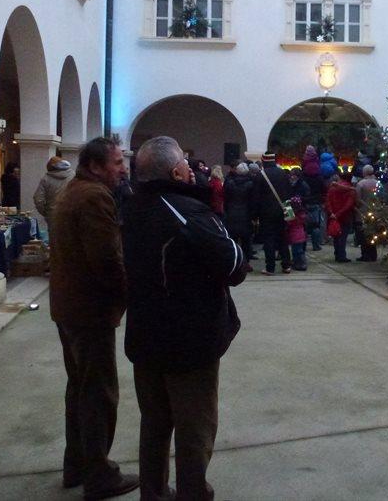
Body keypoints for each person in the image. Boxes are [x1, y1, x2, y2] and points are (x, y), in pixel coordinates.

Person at [122, 136, 248, 500]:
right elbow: (234, 266)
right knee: (195, 427)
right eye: (186, 165)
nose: (191, 170)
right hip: (189, 342)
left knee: (155, 423)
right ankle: (192, 492)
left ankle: (153, 492)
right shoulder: (187, 213)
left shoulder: (132, 207)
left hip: (145, 336)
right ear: (176, 172)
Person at [48, 137, 139, 499]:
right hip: (89, 310)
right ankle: (99, 475)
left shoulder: (73, 191)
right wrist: (131, 297)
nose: (123, 168)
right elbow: (106, 259)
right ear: (96, 166)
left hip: (69, 306)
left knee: (80, 389)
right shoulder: (94, 197)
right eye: (117, 162)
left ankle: (77, 465)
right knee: (99, 393)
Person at [253, 152, 292, 275]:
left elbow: (256, 197)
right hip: (283, 210)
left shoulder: (260, 175)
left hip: (266, 213)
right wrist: (289, 211)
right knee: (283, 238)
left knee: (269, 239)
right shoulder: (283, 173)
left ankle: (270, 267)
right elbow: (288, 193)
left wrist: (255, 215)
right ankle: (286, 265)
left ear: (263, 161)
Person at [224, 162, 255, 260]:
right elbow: (253, 201)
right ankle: (245, 261)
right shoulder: (251, 184)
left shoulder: (229, 183)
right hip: (246, 214)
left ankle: (234, 260)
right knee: (246, 241)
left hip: (231, 213)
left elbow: (225, 198)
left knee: (233, 240)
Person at [33, 156, 74, 227]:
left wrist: (45, 212)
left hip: (52, 214)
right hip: (70, 213)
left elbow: (38, 199)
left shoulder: (46, 179)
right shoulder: (73, 176)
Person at [326, 171, 356, 263]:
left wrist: (332, 213)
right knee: (343, 237)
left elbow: (328, 201)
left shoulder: (332, 188)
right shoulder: (351, 190)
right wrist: (339, 214)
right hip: (345, 216)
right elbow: (348, 205)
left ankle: (337, 254)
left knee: (336, 236)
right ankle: (342, 255)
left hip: (334, 216)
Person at [301, 146, 326, 251]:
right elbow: (323, 187)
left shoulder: (303, 170)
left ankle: (303, 245)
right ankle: (316, 245)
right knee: (316, 224)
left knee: (304, 225)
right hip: (316, 200)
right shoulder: (318, 169)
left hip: (305, 201)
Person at [355, 164, 379, 262]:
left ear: (364, 172)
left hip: (363, 212)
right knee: (373, 234)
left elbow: (357, 199)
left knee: (363, 235)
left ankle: (365, 254)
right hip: (376, 211)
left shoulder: (361, 184)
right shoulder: (378, 183)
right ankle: (373, 254)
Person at [286, 196, 308, 271]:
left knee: (297, 251)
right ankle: (298, 263)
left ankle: (301, 264)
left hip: (295, 236)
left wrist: (287, 207)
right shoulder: (302, 214)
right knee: (299, 251)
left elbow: (289, 222)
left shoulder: (292, 215)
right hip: (302, 235)